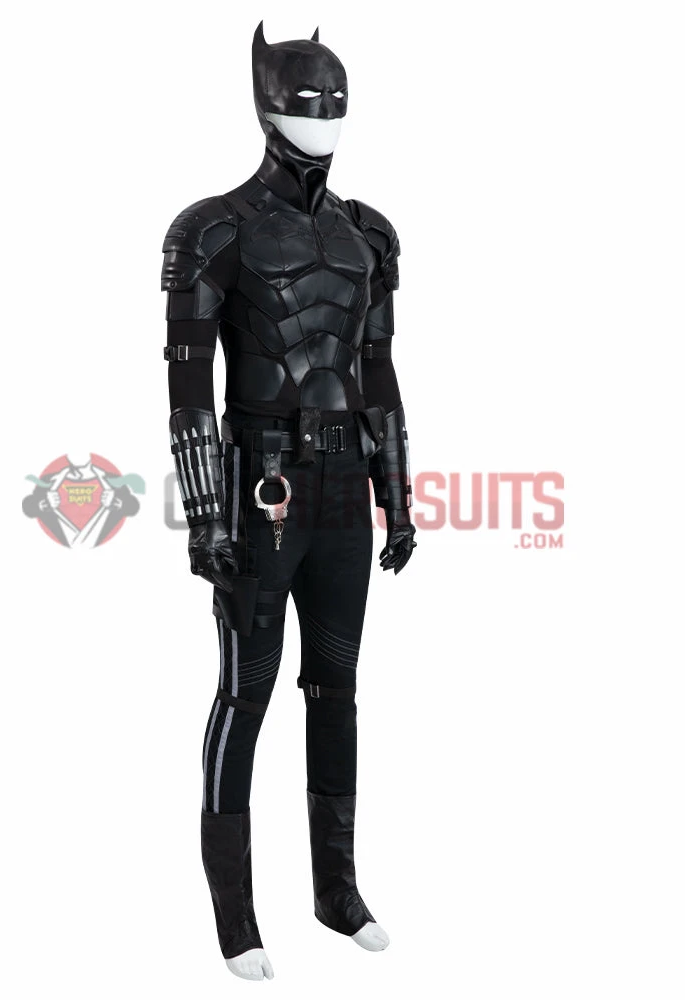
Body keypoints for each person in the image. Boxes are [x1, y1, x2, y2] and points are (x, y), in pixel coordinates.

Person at [162, 21, 416, 981]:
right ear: (266, 110)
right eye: (308, 106)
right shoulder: (212, 229)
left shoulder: (367, 234)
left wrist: (398, 491)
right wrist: (205, 514)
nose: (324, 124)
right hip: (259, 484)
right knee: (247, 690)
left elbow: (379, 372)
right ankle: (237, 918)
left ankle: (336, 892)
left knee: (337, 687)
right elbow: (188, 390)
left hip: (344, 490)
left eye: (335, 107)